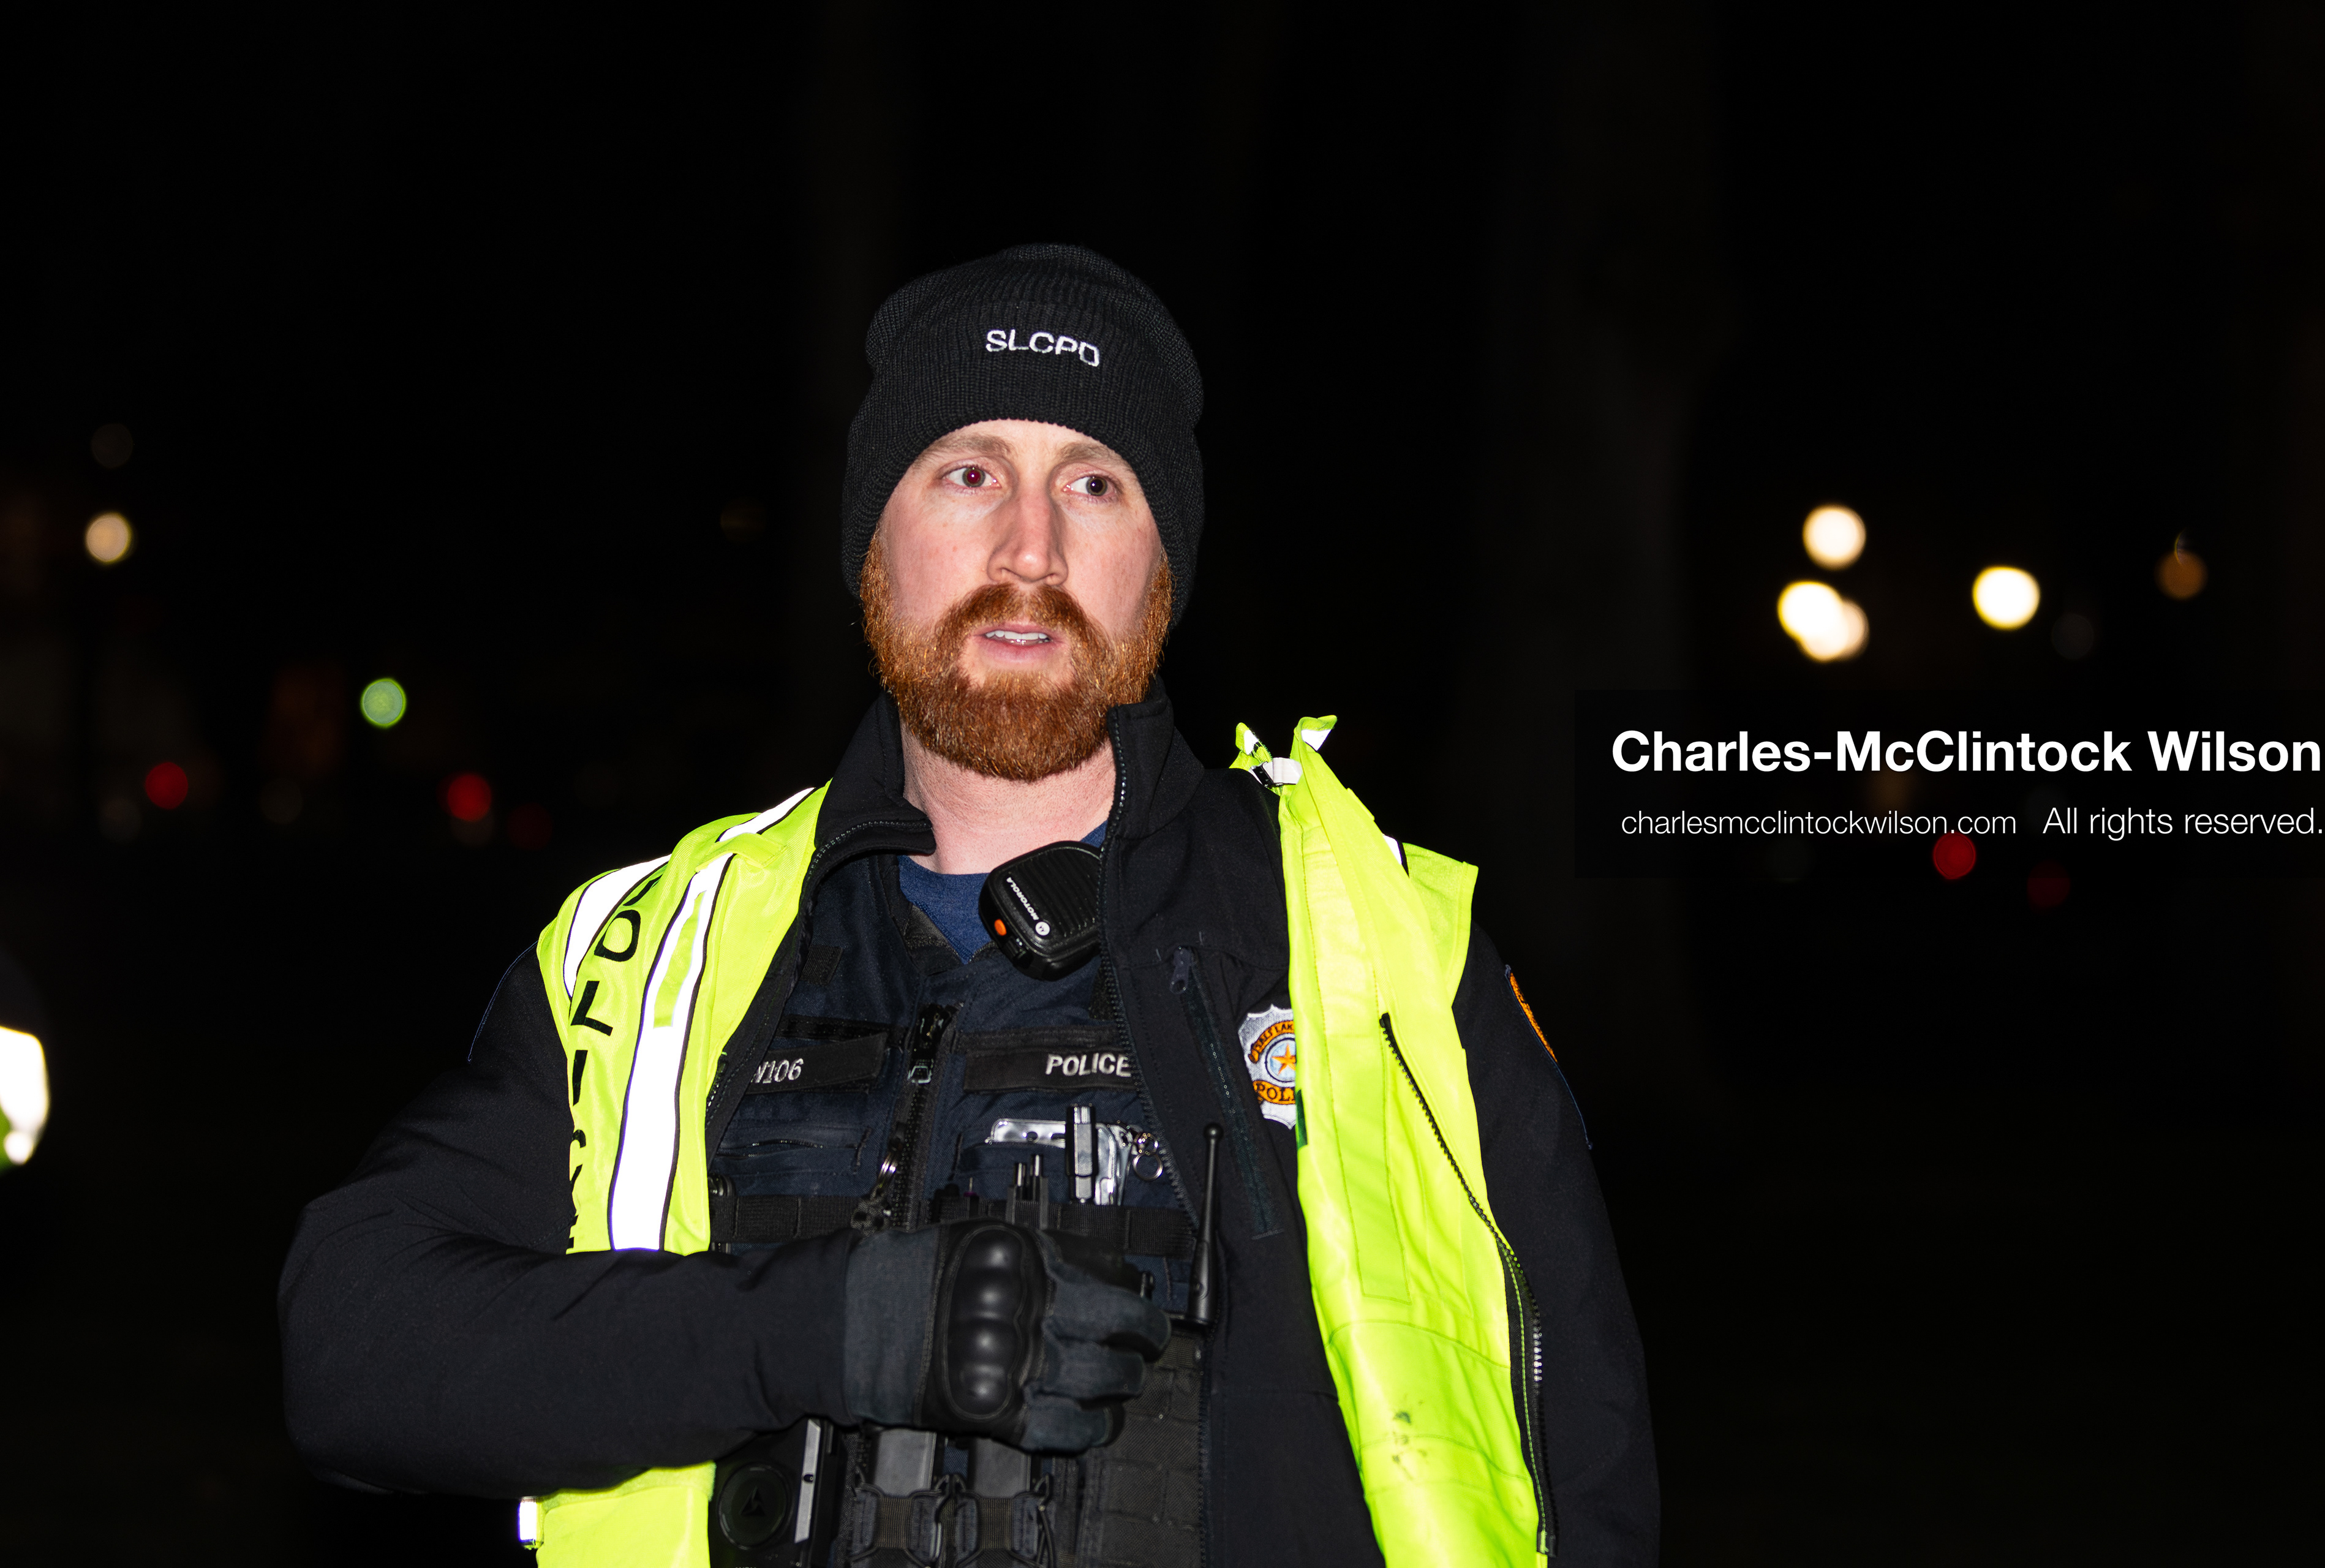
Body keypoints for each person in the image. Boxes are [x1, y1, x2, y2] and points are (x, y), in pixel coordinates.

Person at [280, 244, 1657, 1567]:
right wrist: (822, 1326)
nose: (1031, 546)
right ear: (873, 540)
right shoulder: (656, 947)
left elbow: (1586, 1465)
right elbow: (352, 1358)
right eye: (969, 471)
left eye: (1097, 483)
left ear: (1162, 565)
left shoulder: (1386, 946)